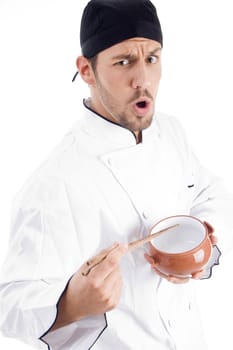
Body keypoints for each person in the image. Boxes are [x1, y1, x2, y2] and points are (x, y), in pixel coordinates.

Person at [0, 0, 232, 349]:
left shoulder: (170, 131)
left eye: (151, 58)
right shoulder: (55, 183)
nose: (143, 80)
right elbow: (9, 307)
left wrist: (202, 242)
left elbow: (210, 192)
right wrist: (69, 303)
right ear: (87, 70)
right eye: (124, 62)